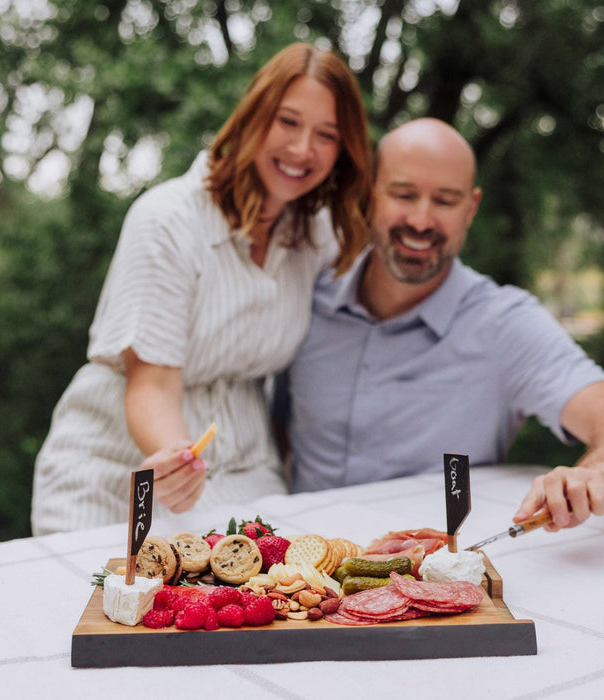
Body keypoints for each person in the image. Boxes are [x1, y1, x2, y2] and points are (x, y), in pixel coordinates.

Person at [30, 43, 371, 535]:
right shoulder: (167, 219)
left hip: (248, 478)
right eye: (288, 121)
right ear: (253, 117)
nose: (303, 149)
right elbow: (151, 382)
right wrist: (177, 461)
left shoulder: (317, 235)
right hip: (120, 475)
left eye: (327, 134)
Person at [279, 117, 604, 532]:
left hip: (430, 566)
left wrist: (598, 474)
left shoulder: (505, 324)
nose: (421, 221)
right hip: (296, 563)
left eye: (445, 201)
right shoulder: (305, 295)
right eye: (404, 194)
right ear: (369, 193)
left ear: (471, 209)